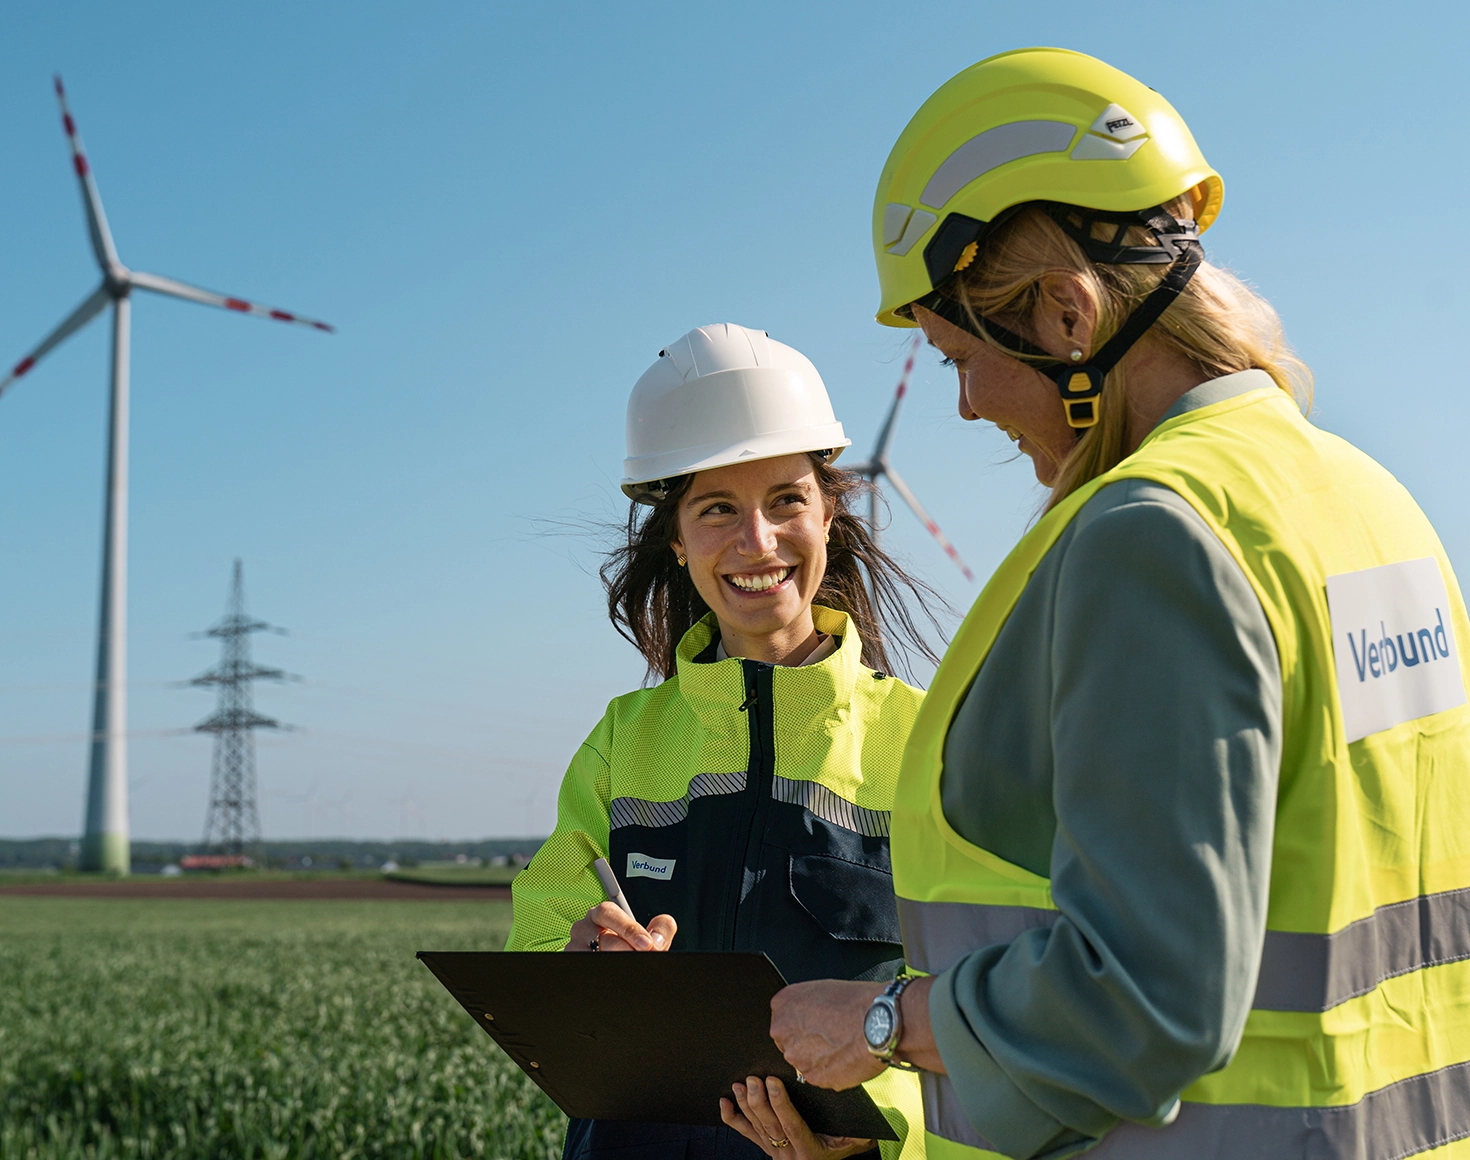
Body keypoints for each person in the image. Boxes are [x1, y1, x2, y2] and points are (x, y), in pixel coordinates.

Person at [767, 48, 1470, 1160]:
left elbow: (1149, 995)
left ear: (1066, 315)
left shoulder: (1154, 533)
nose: (962, 407)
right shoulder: (1374, 506)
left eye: (958, 356)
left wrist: (881, 1021)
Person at [507, 323, 943, 1160]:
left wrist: (873, 1140)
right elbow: (538, 952)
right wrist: (580, 959)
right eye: (717, 510)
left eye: (786, 500)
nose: (758, 541)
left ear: (829, 514)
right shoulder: (622, 742)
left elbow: (980, 999)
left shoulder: (926, 741)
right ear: (676, 541)